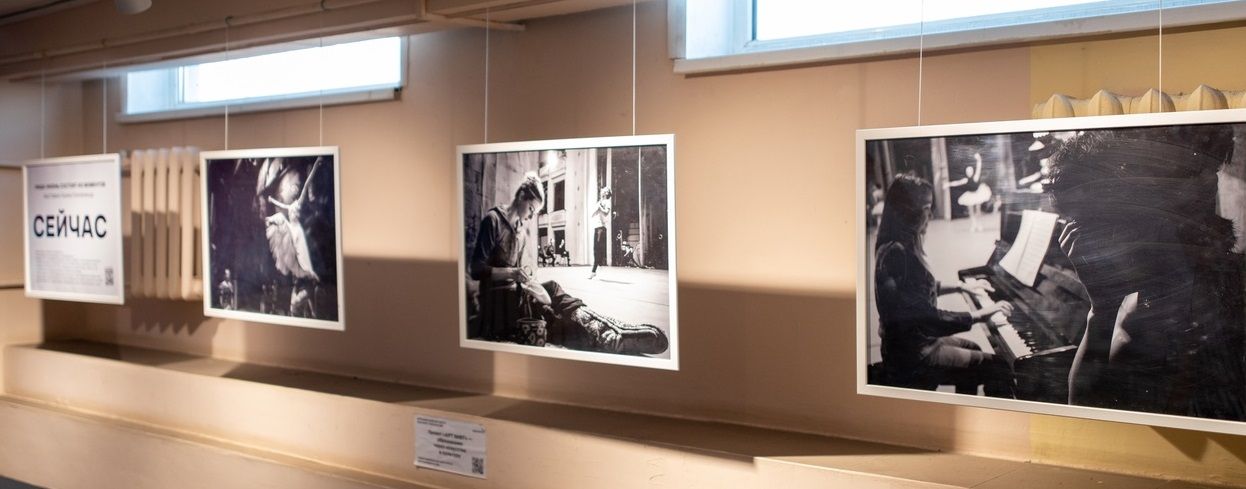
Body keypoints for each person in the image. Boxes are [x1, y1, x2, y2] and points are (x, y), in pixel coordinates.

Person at [1047, 126, 1246, 420]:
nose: (1083, 252)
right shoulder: (1146, 288)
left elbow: (1086, 415)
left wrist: (1103, 311)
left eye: (1092, 228)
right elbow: (1082, 414)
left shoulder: (1203, 298)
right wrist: (1101, 308)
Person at [469, 173, 667, 355]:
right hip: (497, 301)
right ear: (521, 196)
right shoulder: (493, 220)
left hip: (516, 295)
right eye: (531, 209)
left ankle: (604, 325)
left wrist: (528, 281)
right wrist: (512, 273)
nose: (531, 216)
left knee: (552, 287)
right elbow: (476, 269)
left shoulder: (520, 230)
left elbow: (519, 273)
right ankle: (605, 336)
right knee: (548, 314)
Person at [875, 174, 1015, 396]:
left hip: (913, 343)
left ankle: (964, 404)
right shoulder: (897, 253)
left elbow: (918, 291)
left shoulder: (897, 245)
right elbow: (928, 318)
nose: (930, 215)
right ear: (908, 212)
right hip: (913, 355)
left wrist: (961, 287)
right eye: (926, 208)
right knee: (999, 367)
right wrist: (981, 314)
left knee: (975, 349)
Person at [944, 152, 993, 232]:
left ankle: (979, 224)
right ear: (966, 173)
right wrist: (948, 184)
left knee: (978, 211)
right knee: (971, 211)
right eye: (968, 171)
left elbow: (979, 167)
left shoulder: (975, 177)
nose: (969, 172)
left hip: (977, 194)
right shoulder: (965, 180)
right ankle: (973, 224)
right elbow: (956, 183)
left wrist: (979, 159)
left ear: (972, 172)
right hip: (970, 195)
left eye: (970, 171)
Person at [589, 187, 612, 279]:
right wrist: (596, 209)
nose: (602, 192)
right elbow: (593, 214)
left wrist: (600, 208)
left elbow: (606, 213)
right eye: (602, 191)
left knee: (598, 249)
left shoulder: (607, 202)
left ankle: (594, 270)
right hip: (596, 227)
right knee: (595, 249)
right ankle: (597, 267)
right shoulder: (599, 202)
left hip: (601, 228)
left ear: (607, 193)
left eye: (604, 191)